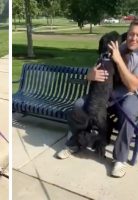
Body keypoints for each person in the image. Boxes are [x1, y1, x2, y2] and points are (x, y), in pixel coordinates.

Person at [57, 19, 138, 178]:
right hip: (106, 94)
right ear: (126, 34)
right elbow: (98, 65)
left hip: (131, 96)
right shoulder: (118, 46)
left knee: (129, 113)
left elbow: (133, 86)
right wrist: (90, 75)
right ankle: (73, 143)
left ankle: (119, 159)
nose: (133, 38)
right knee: (79, 105)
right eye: (131, 34)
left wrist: (118, 60)